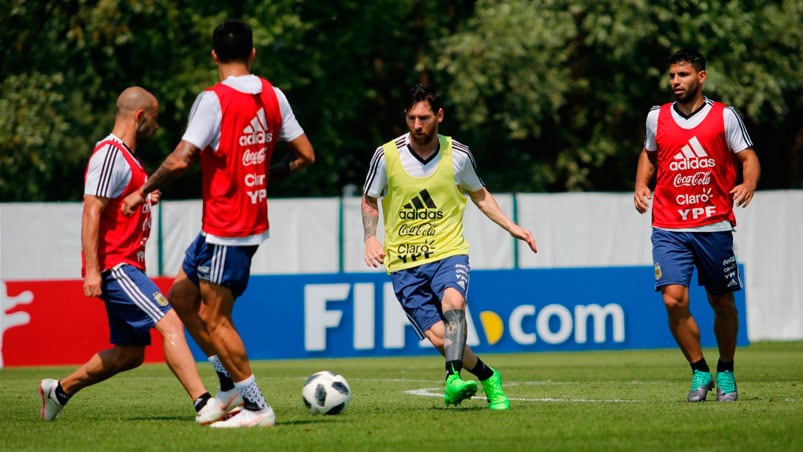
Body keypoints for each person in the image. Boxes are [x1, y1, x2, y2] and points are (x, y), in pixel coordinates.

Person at [122, 19, 315, 428]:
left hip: (230, 226)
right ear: (252, 53)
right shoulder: (273, 95)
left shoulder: (213, 99)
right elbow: (305, 155)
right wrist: (268, 175)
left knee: (216, 319)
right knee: (179, 296)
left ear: (213, 56)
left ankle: (258, 407)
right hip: (229, 224)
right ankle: (227, 385)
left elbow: (181, 158)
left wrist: (142, 191)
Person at [39, 86, 215, 422]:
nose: (157, 126)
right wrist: (92, 270)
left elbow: (116, 208)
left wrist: (145, 199)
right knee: (171, 322)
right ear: (140, 116)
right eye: (155, 119)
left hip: (128, 265)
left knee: (130, 354)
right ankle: (204, 402)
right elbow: (92, 210)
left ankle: (58, 390)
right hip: (115, 266)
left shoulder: (128, 159)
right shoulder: (109, 154)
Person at [362, 84, 538, 410]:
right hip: (404, 263)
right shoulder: (386, 155)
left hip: (448, 251)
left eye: (425, 118)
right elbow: (370, 198)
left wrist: (512, 227)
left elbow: (480, 194)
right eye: (412, 118)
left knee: (454, 303)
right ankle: (488, 376)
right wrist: (371, 237)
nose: (418, 125)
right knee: (443, 339)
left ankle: (452, 380)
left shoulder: (458, 155)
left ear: (439, 116)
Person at [634, 48, 760, 402]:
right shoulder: (656, 117)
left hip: (714, 225)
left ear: (701, 77)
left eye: (683, 75)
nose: (676, 81)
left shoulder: (724, 116)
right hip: (669, 225)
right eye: (672, 75)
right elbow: (649, 153)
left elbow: (748, 157)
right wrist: (642, 184)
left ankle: (727, 369)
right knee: (673, 300)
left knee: (721, 301)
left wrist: (748, 182)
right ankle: (699, 370)